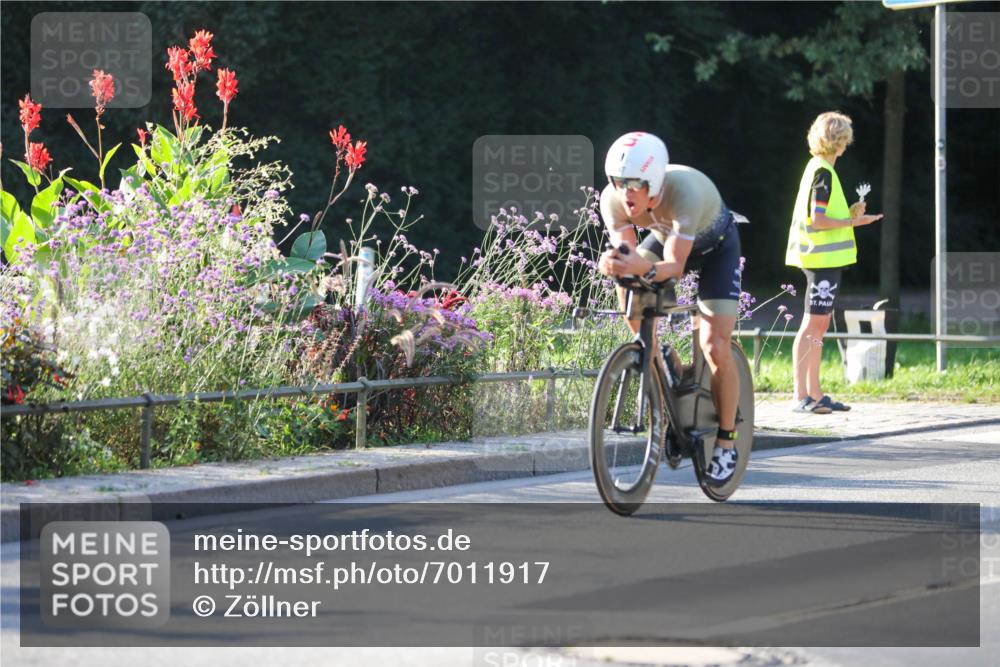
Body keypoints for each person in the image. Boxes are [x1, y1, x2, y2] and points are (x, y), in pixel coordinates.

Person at [597, 131, 744, 484]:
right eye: (618, 181)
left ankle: (727, 442)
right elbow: (628, 257)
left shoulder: (684, 192)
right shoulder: (612, 199)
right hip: (666, 239)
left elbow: (675, 268)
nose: (625, 192)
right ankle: (658, 355)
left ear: (654, 181)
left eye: (635, 183)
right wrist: (615, 263)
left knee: (715, 346)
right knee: (629, 284)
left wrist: (639, 266)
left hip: (716, 249)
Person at [784, 111, 882, 414]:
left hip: (822, 258)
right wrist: (855, 222)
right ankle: (801, 396)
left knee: (819, 325)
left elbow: (821, 215)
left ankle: (815, 392)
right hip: (820, 259)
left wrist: (848, 214)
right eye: (845, 139)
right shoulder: (823, 172)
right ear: (840, 141)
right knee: (812, 326)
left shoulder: (818, 168)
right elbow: (819, 220)